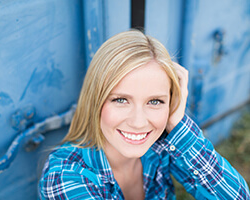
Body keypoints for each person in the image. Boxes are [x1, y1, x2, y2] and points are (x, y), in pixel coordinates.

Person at [38, 30, 250, 199]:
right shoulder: (65, 175)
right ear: (96, 100)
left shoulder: (160, 146)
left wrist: (177, 123)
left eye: (155, 101)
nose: (139, 122)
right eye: (121, 100)